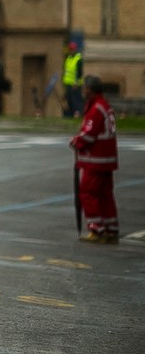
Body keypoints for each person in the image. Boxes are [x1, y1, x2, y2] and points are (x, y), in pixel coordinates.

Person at [71, 75, 119, 243]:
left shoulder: (95, 109)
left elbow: (89, 135)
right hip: (107, 159)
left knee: (88, 192)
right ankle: (110, 229)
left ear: (89, 90)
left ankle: (96, 229)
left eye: (84, 88)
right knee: (105, 194)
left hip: (96, 159)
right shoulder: (105, 106)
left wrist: (76, 141)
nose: (83, 90)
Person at [62, 37, 84, 118]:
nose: (71, 51)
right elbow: (66, 71)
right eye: (70, 49)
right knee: (69, 101)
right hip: (68, 84)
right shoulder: (68, 59)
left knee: (76, 100)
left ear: (75, 49)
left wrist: (76, 83)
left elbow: (79, 73)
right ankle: (70, 115)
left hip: (75, 85)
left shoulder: (78, 59)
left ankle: (77, 114)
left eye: (72, 49)